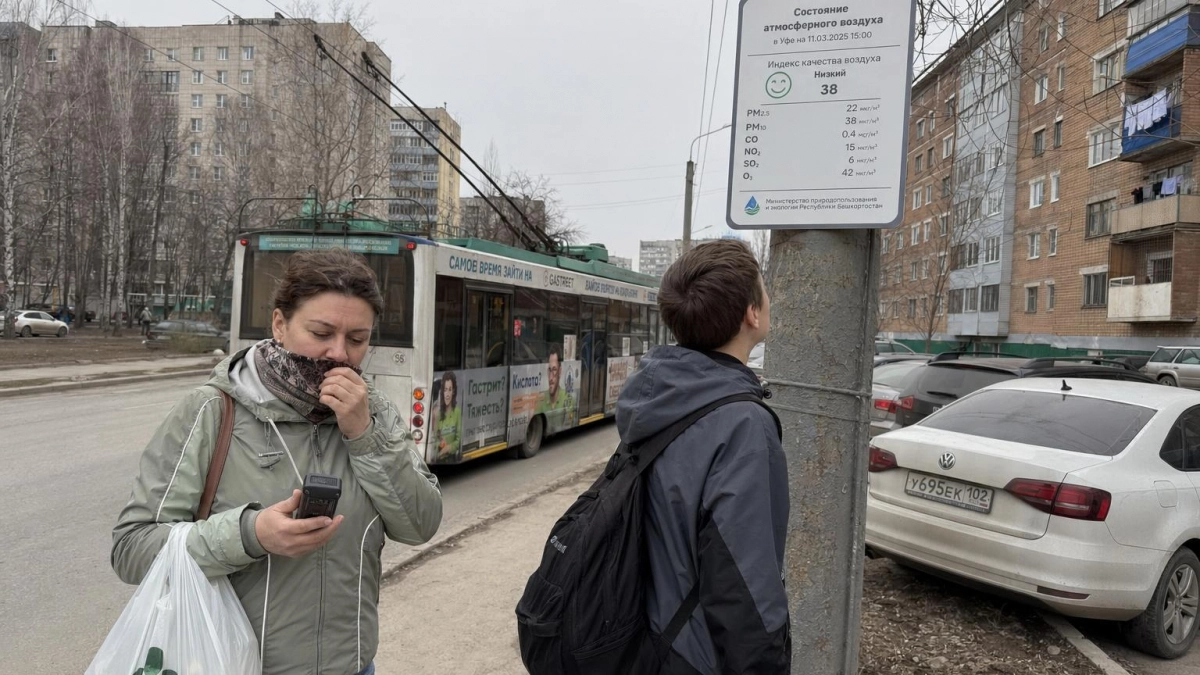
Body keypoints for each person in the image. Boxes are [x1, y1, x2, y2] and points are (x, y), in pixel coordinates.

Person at [111, 248, 443, 675]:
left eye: (357, 340)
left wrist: (364, 434)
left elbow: (420, 525)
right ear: (280, 325)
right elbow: (132, 548)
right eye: (321, 332)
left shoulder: (373, 413)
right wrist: (250, 535)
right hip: (233, 665)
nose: (339, 354)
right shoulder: (212, 411)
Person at [615, 239, 789, 673]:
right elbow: (747, 594)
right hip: (692, 658)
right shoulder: (743, 426)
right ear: (753, 313)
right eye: (763, 289)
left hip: (641, 640)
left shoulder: (655, 397)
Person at [536, 344, 576, 430]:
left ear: (560, 371)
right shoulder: (540, 400)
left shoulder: (568, 400)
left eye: (554, 370)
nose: (551, 378)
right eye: (549, 370)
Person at [433, 370, 461, 461]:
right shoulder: (437, 413)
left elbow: (459, 440)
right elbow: (434, 438)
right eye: (445, 390)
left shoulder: (457, 412)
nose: (447, 394)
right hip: (439, 458)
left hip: (451, 457)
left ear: (453, 391)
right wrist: (439, 444)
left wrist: (448, 448)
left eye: (450, 389)